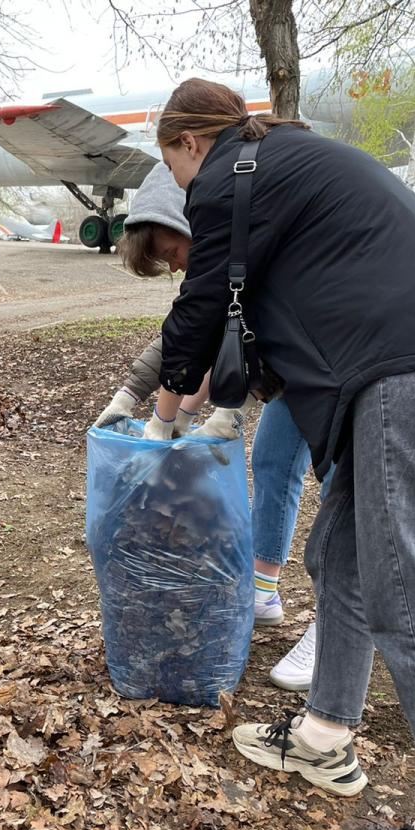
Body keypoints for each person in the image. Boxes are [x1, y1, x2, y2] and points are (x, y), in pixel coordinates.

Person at [150, 78, 415, 830]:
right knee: (341, 556)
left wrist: (158, 426)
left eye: (171, 165)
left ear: (187, 144)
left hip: (407, 365)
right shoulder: (280, 161)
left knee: (408, 588)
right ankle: (324, 734)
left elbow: (201, 304)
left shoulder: (227, 177)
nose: (179, 188)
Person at [93, 161, 317, 691]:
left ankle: (334, 629)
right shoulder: (220, 259)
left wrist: (196, 416)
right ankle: (262, 590)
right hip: (287, 375)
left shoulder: (251, 247)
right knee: (273, 464)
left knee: (342, 504)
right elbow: (187, 336)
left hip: (330, 367)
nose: (174, 267)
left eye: (171, 253)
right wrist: (134, 397)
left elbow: (216, 343)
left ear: (189, 222)